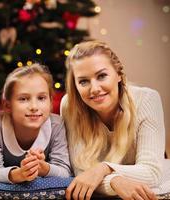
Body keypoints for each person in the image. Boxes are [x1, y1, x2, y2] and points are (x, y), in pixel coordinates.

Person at [61, 40, 170, 200]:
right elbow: (81, 174)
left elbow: (151, 172)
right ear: (75, 85)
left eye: (102, 76)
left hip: (155, 186)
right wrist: (115, 182)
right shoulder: (69, 106)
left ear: (119, 74)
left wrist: (104, 169)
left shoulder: (147, 99)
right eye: (83, 81)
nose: (95, 89)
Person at [0, 63, 71, 183]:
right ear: (8, 106)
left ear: (50, 103)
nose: (34, 107)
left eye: (41, 98)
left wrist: (42, 168)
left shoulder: (57, 125)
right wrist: (17, 175)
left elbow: (65, 171)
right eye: (23, 99)